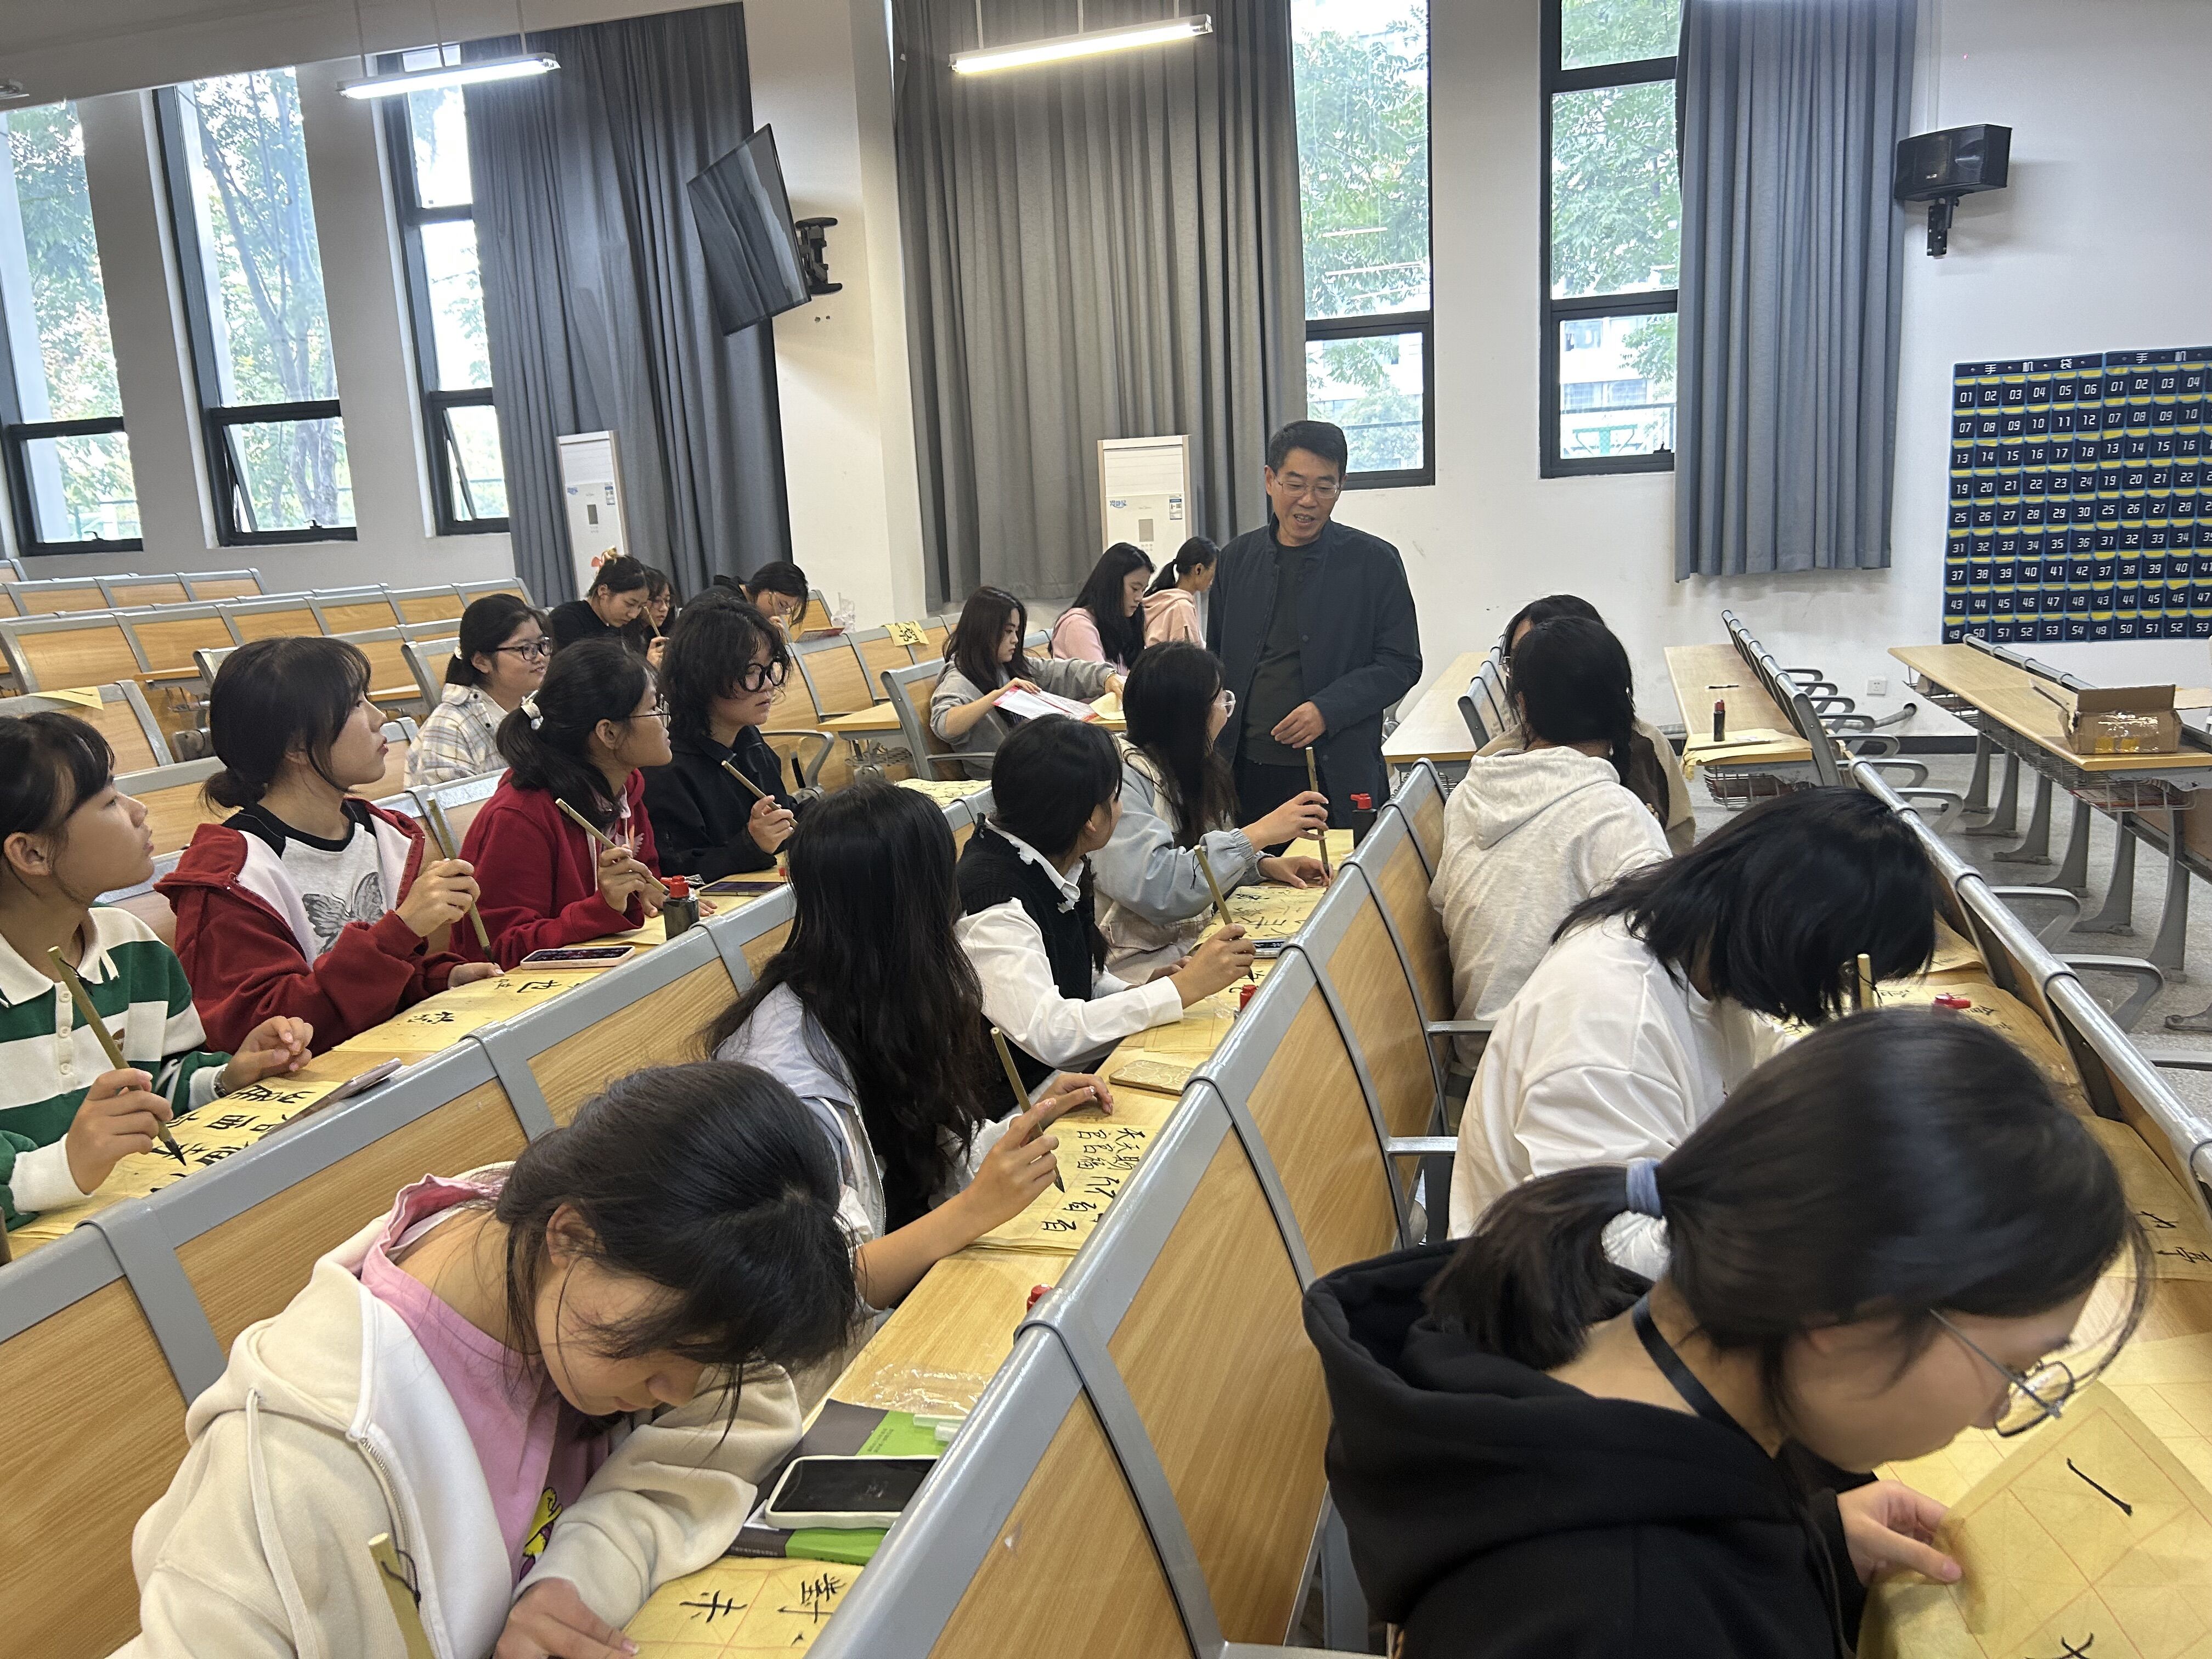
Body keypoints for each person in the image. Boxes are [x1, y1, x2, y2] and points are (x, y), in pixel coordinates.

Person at [1307, 1012, 2150, 1659]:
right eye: (2012, 1368)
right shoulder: (1628, 1614)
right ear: (1845, 1312)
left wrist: (1808, 1548)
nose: (1997, 1411)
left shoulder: (1592, 1365)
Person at [127, 1063, 866, 1659]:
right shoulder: (301, 1460)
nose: (678, 1391)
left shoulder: (601, 1240)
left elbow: (737, 1408)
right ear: (569, 1237)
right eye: (667, 1352)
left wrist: (581, 1573)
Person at [1450, 786, 1937, 1276]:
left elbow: (1759, 1053)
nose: (1833, 993)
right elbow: (1614, 1255)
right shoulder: (1616, 1026)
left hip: (1627, 1257)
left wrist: (1856, 1084)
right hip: (1551, 1296)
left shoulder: (1687, 948)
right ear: (1801, 937)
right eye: (1843, 975)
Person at [709, 782, 1108, 1318]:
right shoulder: (787, 1074)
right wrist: (975, 1208)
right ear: (912, 903)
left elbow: (928, 1157)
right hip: (849, 1335)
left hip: (923, 1278)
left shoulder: (886, 993)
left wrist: (1030, 1114)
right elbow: (826, 1289)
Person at [0, 713, 312, 1232]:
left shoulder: (131, 945)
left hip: (144, 1223)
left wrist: (225, 1078)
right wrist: (65, 1166)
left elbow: (160, 1079)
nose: (138, 810)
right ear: (32, 851)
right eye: (108, 802)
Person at [162, 639, 501, 1051]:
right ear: (296, 745)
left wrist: (438, 981)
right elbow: (267, 1035)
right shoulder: (232, 873)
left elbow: (383, 987)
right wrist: (400, 931)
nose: (380, 717)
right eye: (356, 704)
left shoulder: (382, 835)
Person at [956, 715, 1257, 1088]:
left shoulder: (1055, 857)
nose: (1121, 809)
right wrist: (1178, 991)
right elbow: (1050, 1035)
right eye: (1115, 798)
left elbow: (1080, 981)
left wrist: (1141, 992)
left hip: (1062, 1082)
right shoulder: (995, 905)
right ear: (1089, 819)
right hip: (1017, 1104)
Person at [1431, 616, 1670, 1066]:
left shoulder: (1468, 796)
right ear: (1622, 704)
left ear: (1522, 705)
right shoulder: (1617, 814)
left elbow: (1445, 905)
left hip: (1479, 1045)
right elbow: (1660, 955)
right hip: (1567, 1060)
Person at [1210, 419, 1421, 831]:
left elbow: (1401, 663)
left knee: (1340, 870)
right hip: (1246, 772)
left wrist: (1328, 709)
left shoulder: (1374, 563)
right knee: (1257, 872)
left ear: (1341, 486)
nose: (1308, 501)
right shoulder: (1235, 560)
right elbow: (1216, 660)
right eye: (1295, 484)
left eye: (1325, 488)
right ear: (1270, 480)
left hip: (1337, 771)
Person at [1092, 641, 1330, 977]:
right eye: (1221, 700)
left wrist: (1261, 866)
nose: (1227, 711)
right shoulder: (1118, 780)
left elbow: (1201, 855)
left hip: (1191, 946)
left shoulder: (1189, 765)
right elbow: (1160, 890)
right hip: (1135, 970)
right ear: (1188, 715)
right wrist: (1257, 835)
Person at [463, 640, 668, 968]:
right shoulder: (520, 816)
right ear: (609, 733)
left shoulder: (624, 788)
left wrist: (662, 895)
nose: (665, 719)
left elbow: (648, 884)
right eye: (654, 708)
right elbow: (500, 950)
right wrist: (601, 909)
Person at [1486, 594, 1695, 855]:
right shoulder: (1495, 763)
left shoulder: (1647, 742)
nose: (1529, 676)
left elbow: (1679, 835)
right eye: (1518, 662)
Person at [645, 599, 800, 881]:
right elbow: (677, 873)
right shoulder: (665, 765)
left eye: (769, 669)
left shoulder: (747, 737)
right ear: (703, 676)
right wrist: (751, 846)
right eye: (751, 672)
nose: (767, 685)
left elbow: (785, 813)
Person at [930, 586, 1125, 781]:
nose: (1015, 640)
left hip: (1032, 765)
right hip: (1004, 777)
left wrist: (1106, 676)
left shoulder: (1007, 666)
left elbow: (1062, 671)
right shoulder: (959, 678)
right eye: (1008, 631)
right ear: (984, 632)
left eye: (1016, 631)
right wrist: (998, 696)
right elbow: (945, 726)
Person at [407, 594, 549, 788]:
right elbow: (457, 806)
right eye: (526, 648)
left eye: (542, 644)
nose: (540, 657)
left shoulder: (534, 711)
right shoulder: (450, 728)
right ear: (481, 662)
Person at [1048, 543, 1153, 669]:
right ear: (1112, 584)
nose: (1140, 598)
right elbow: (1102, 678)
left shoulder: (1123, 621)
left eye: (1143, 590)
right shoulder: (1077, 625)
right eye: (1135, 589)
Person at [547, 556, 651, 652]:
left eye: (640, 607)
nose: (634, 615)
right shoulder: (566, 620)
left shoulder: (614, 623)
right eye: (629, 604)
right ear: (603, 591)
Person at [1142, 536, 1217, 647]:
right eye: (1213, 571)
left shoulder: (1165, 600)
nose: (1214, 578)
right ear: (1199, 569)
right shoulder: (1182, 607)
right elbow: (1185, 656)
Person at [619, 565, 674, 662]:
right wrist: (649, 665)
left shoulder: (656, 633)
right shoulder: (621, 639)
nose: (664, 608)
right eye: (656, 601)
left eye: (667, 600)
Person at [742, 560, 812, 628]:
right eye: (781, 604)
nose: (778, 614)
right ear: (763, 587)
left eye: (786, 609)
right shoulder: (737, 614)